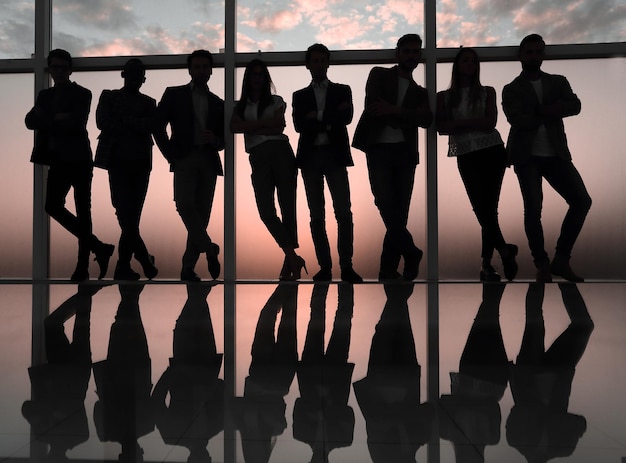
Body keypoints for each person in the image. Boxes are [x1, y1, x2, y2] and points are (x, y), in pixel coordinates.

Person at [502, 34, 592, 283]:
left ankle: (561, 259)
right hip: (526, 156)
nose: (533, 56)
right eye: (529, 52)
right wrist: (549, 110)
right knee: (533, 209)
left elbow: (575, 105)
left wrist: (539, 111)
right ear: (521, 55)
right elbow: (518, 120)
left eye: (538, 52)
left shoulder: (557, 82)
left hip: (556, 154)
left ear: (543, 54)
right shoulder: (512, 89)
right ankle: (541, 263)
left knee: (582, 201)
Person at [25, 48, 114, 282]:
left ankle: (82, 267)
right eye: (56, 67)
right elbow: (29, 121)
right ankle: (99, 247)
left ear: (70, 69)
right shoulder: (45, 95)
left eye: (64, 67)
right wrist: (58, 117)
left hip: (79, 159)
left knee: (83, 211)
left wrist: (47, 118)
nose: (60, 71)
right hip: (57, 159)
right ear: (51, 69)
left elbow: (75, 122)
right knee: (52, 206)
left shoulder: (82, 93)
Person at [352, 34, 433, 281]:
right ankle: (411, 252)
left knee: (398, 213)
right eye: (406, 51)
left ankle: (388, 269)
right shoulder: (379, 74)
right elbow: (373, 107)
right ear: (397, 53)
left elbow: (426, 120)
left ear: (419, 56)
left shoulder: (420, 92)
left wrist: (395, 109)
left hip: (405, 153)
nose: (411, 55)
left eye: (415, 51)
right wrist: (407, 116)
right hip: (378, 147)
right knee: (385, 203)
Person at [436, 47, 518, 282]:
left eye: (473, 61)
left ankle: (486, 265)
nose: (470, 65)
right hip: (466, 153)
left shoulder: (487, 92)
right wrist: (473, 123)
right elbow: (442, 127)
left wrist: (459, 123)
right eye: (465, 61)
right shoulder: (444, 97)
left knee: (488, 208)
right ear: (457, 65)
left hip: (492, 151)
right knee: (481, 208)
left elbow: (490, 122)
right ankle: (503, 250)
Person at [292, 44, 362, 284]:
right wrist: (330, 117)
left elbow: (347, 118)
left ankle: (346, 267)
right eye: (315, 60)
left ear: (328, 63)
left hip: (334, 157)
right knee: (317, 215)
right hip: (311, 159)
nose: (319, 64)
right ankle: (325, 267)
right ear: (308, 64)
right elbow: (300, 125)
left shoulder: (343, 90)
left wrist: (317, 117)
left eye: (323, 60)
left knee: (343, 212)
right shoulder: (299, 96)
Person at [230, 59, 306, 280]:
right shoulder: (240, 106)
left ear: (266, 78)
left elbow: (277, 126)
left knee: (287, 207)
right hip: (258, 157)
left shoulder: (276, 100)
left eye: (261, 75)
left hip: (281, 152)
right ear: (248, 79)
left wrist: (250, 126)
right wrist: (262, 124)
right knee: (266, 211)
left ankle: (289, 262)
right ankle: (293, 256)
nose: (257, 78)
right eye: (253, 75)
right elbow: (235, 127)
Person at [154, 49, 224, 282]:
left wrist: (215, 139)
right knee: (184, 204)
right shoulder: (174, 94)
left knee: (201, 215)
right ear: (190, 70)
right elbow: (157, 126)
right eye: (197, 66)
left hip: (208, 160)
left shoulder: (217, 103)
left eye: (205, 66)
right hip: (183, 158)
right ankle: (209, 248)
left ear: (211, 70)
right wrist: (169, 155)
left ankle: (187, 268)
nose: (202, 70)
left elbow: (224, 139)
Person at [95, 58, 158, 281]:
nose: (134, 78)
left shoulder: (149, 103)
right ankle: (140, 259)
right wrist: (135, 123)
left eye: (138, 75)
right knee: (126, 216)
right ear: (123, 75)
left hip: (140, 164)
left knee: (131, 217)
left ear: (143, 79)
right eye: (130, 74)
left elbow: (150, 125)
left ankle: (124, 265)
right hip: (117, 162)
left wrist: (122, 120)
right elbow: (103, 122)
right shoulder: (109, 96)